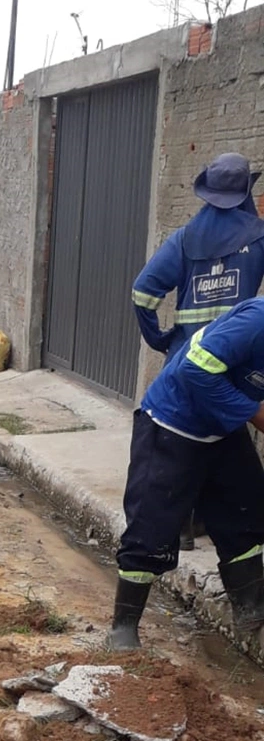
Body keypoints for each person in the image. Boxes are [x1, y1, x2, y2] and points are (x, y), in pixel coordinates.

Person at [109, 296, 264, 652]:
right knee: (151, 527)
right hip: (172, 423)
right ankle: (123, 628)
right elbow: (196, 369)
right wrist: (253, 413)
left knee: (246, 510)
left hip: (222, 429)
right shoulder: (257, 322)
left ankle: (251, 606)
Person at [131, 153, 264, 550]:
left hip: (186, 357)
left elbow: (143, 292)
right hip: (237, 362)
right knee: (223, 440)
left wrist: (159, 338)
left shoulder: (186, 237)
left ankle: (183, 527)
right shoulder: (257, 236)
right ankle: (216, 521)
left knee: (178, 445)